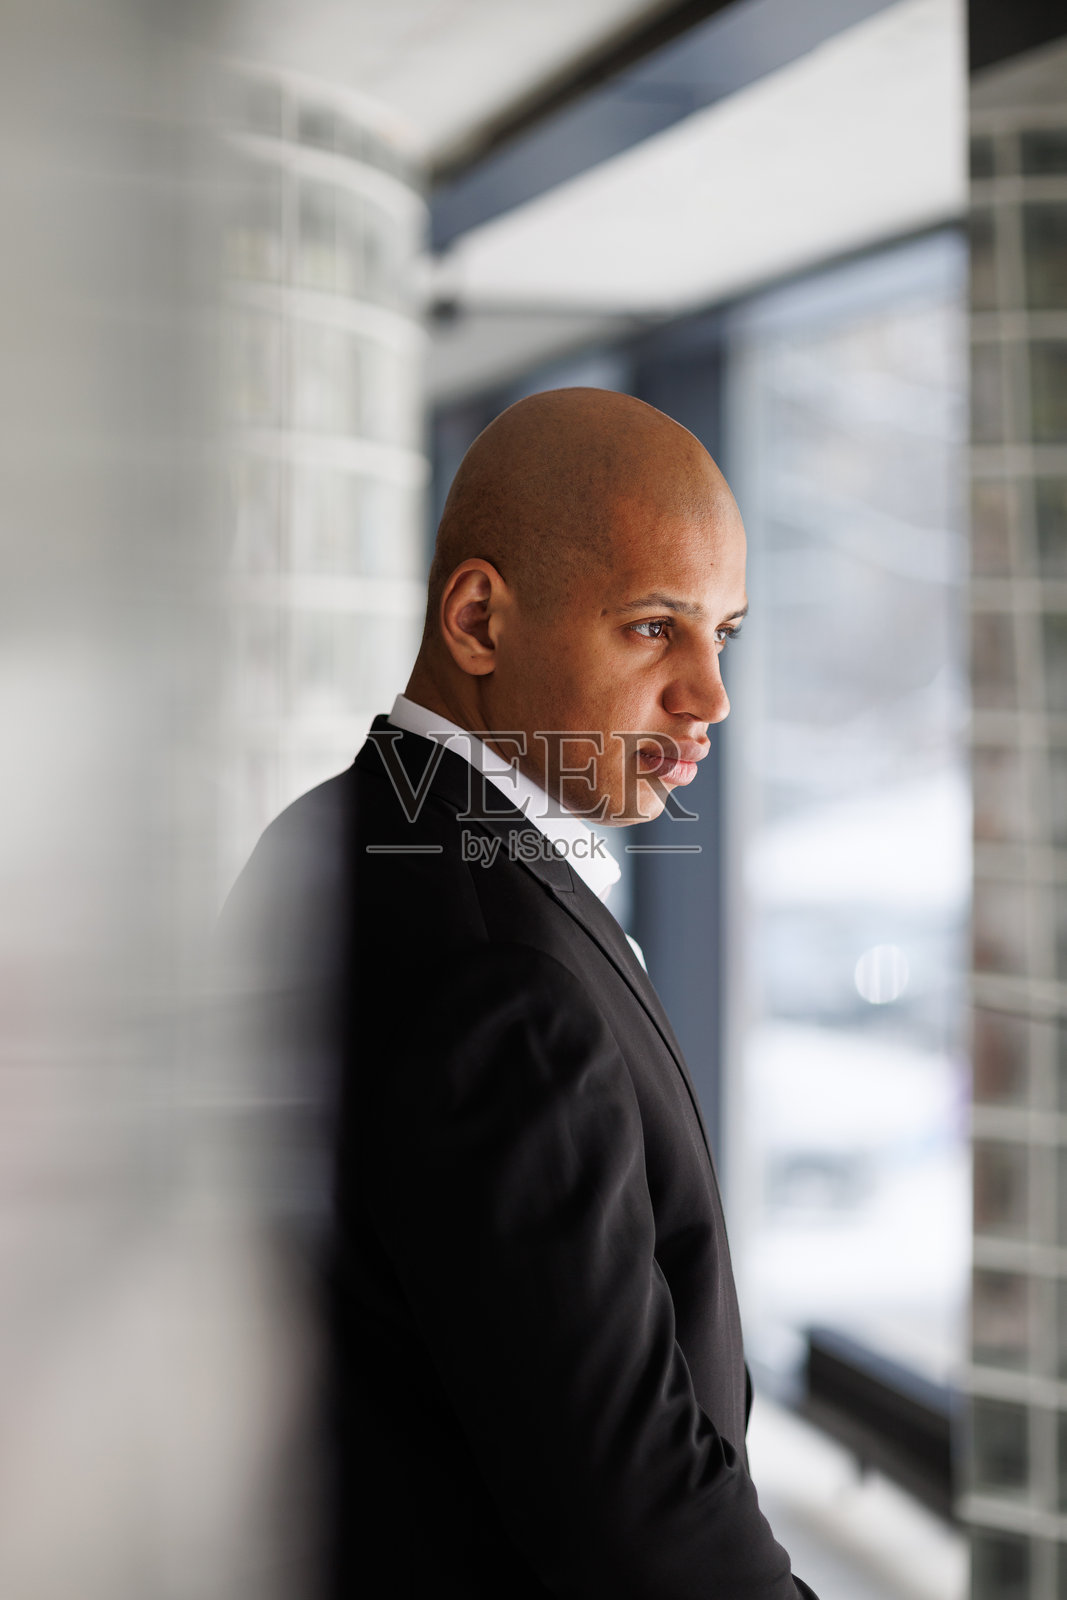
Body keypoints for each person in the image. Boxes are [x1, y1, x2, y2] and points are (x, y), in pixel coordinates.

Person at [218, 387, 819, 1598]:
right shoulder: (493, 967)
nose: (708, 695)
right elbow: (636, 1525)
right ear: (478, 619)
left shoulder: (335, 831)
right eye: (653, 628)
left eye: (722, 633)